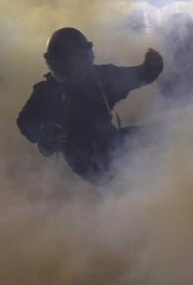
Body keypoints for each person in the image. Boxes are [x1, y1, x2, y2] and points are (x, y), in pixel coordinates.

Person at [17, 27, 163, 182]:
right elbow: (24, 122)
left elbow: (139, 76)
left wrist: (152, 66)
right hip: (83, 160)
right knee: (124, 182)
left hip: (111, 141)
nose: (64, 70)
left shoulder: (102, 77)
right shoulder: (46, 91)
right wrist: (46, 133)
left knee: (164, 133)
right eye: (60, 64)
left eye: (68, 63)